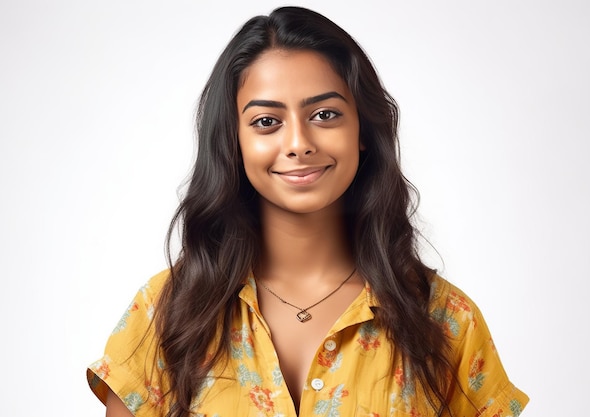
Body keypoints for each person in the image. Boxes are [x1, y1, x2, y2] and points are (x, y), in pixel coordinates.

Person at [87, 6, 529, 417]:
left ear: (362, 131)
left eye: (324, 114)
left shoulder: (445, 320)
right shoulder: (166, 313)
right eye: (266, 121)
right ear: (233, 142)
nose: (299, 143)